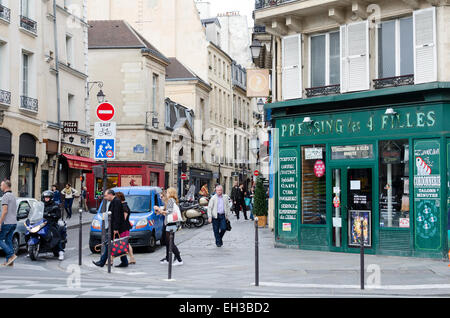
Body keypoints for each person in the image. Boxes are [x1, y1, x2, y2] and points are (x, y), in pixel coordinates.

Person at [93, 189, 130, 268]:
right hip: (115, 228)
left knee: (109, 245)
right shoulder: (114, 201)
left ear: (110, 194)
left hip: (117, 228)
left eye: (106, 196)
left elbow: (116, 216)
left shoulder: (116, 202)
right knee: (118, 244)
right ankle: (124, 261)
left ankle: (102, 261)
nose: (105, 198)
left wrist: (115, 229)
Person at [154, 187, 183, 266]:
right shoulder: (172, 201)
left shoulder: (171, 200)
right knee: (168, 242)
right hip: (171, 224)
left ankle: (179, 259)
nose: (166, 193)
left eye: (167, 192)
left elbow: (168, 212)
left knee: (170, 243)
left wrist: (159, 210)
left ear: (170, 193)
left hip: (171, 224)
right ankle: (168, 258)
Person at [42, 190, 65, 260]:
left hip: (52, 223)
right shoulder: (42, 205)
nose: (46, 199)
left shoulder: (55, 205)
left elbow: (58, 215)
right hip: (42, 223)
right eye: (45, 197)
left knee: (56, 235)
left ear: (51, 198)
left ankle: (61, 252)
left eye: (47, 197)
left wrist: (53, 215)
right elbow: (37, 211)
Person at [115, 192, 136, 265]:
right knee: (126, 243)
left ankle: (130, 258)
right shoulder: (124, 205)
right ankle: (132, 258)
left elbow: (123, 218)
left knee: (124, 243)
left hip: (124, 228)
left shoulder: (124, 206)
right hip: (125, 227)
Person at [0, 180, 17, 266]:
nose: (0, 186)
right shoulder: (13, 196)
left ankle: (11, 255)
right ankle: (9, 261)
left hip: (7, 222)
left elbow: (4, 211)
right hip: (14, 222)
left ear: (5, 186)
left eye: (1, 185)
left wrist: (0, 223)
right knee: (8, 240)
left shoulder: (5, 196)